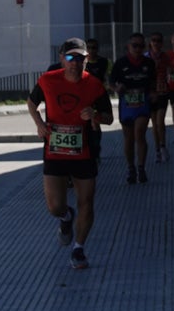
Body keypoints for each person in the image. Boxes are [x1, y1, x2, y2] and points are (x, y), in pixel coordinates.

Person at [27, 37, 112, 270]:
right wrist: (39, 124)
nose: (76, 63)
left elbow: (109, 117)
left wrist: (94, 114)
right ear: (62, 59)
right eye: (71, 58)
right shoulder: (48, 81)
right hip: (56, 152)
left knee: (87, 201)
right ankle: (66, 217)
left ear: (87, 60)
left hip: (84, 153)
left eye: (81, 58)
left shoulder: (94, 85)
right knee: (55, 206)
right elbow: (31, 102)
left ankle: (79, 248)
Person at [110, 32, 156, 184]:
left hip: (142, 103)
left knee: (140, 134)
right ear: (128, 47)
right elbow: (111, 82)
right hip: (126, 104)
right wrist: (117, 88)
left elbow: (153, 84)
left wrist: (153, 94)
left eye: (141, 46)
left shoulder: (149, 63)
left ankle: (141, 168)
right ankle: (131, 168)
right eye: (135, 46)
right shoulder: (120, 63)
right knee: (129, 139)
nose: (138, 49)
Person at [146, 32, 170, 163]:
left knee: (160, 121)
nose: (156, 43)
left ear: (161, 43)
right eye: (153, 40)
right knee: (154, 124)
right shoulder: (146, 57)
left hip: (163, 92)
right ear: (150, 42)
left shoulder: (165, 57)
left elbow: (171, 69)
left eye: (158, 40)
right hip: (150, 93)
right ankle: (157, 150)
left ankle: (163, 146)